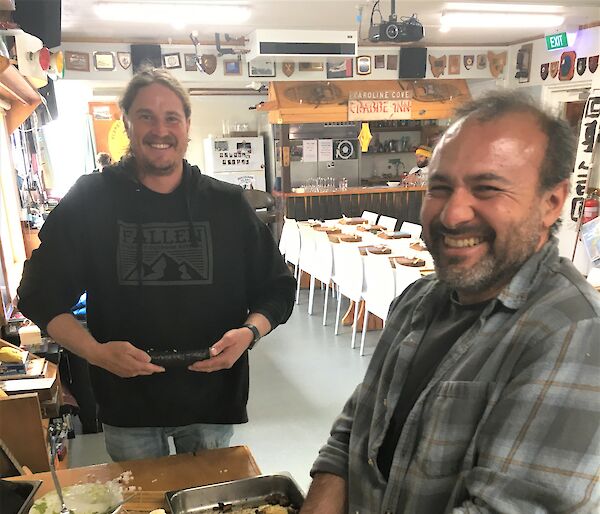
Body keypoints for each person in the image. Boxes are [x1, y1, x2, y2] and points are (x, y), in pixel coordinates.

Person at [301, 91, 600, 513]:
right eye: (440, 188)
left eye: (488, 188)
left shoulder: (574, 336)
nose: (453, 214)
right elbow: (353, 433)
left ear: (551, 202)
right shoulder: (418, 301)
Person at [17, 67, 296, 461]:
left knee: (210, 501)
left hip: (211, 399)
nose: (159, 129)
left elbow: (278, 287)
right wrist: (96, 353)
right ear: (126, 122)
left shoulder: (227, 205)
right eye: (146, 115)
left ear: (186, 126)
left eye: (171, 118)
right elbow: (37, 295)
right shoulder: (91, 201)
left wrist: (250, 333)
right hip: (127, 403)